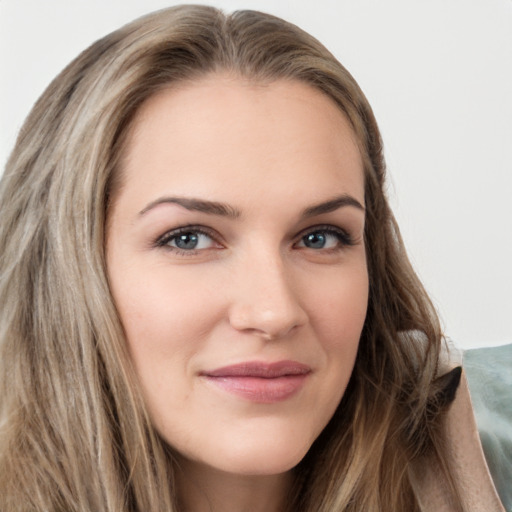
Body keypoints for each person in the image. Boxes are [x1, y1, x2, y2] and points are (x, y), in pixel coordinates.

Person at [0, 5, 504, 512]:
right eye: (189, 239)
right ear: (63, 270)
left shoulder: (487, 444)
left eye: (319, 238)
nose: (274, 312)